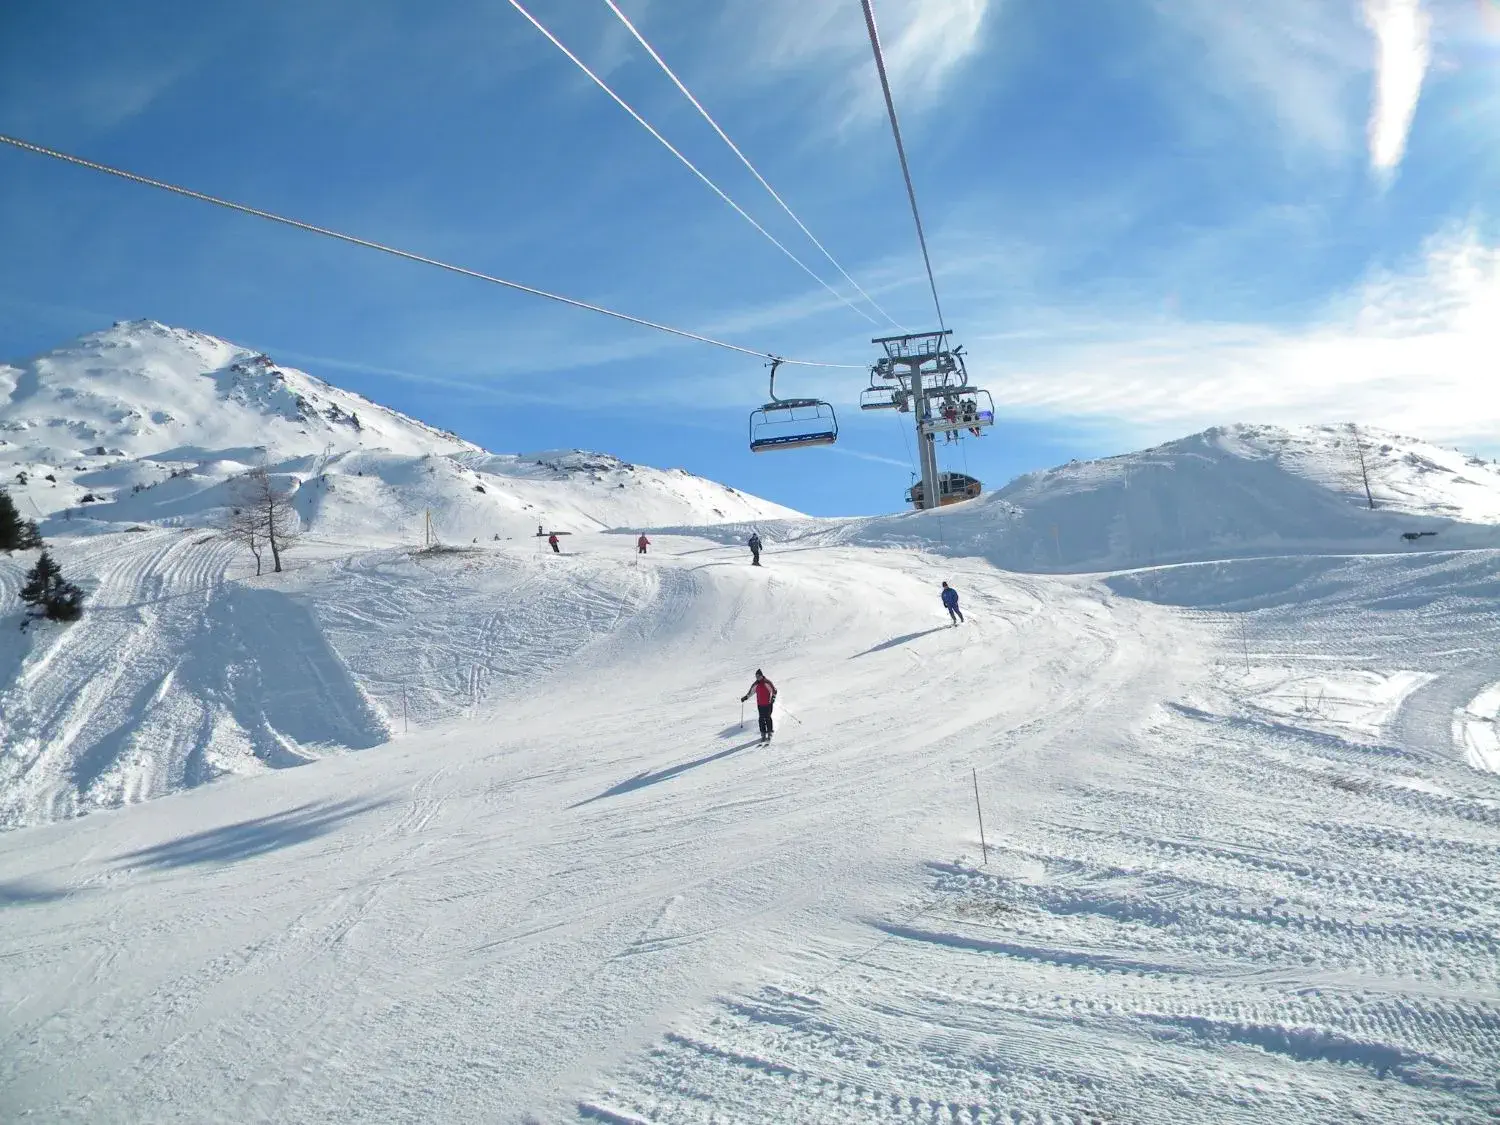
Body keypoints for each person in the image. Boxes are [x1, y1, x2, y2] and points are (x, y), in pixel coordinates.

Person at [741, 669, 778, 743]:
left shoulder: (767, 682)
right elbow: (751, 692)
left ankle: (770, 732)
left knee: (767, 717)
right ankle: (763, 733)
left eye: (758, 676)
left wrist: (773, 698)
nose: (757, 677)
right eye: (756, 676)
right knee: (761, 719)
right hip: (760, 704)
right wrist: (745, 697)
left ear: (761, 675)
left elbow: (774, 691)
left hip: (768, 704)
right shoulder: (756, 684)